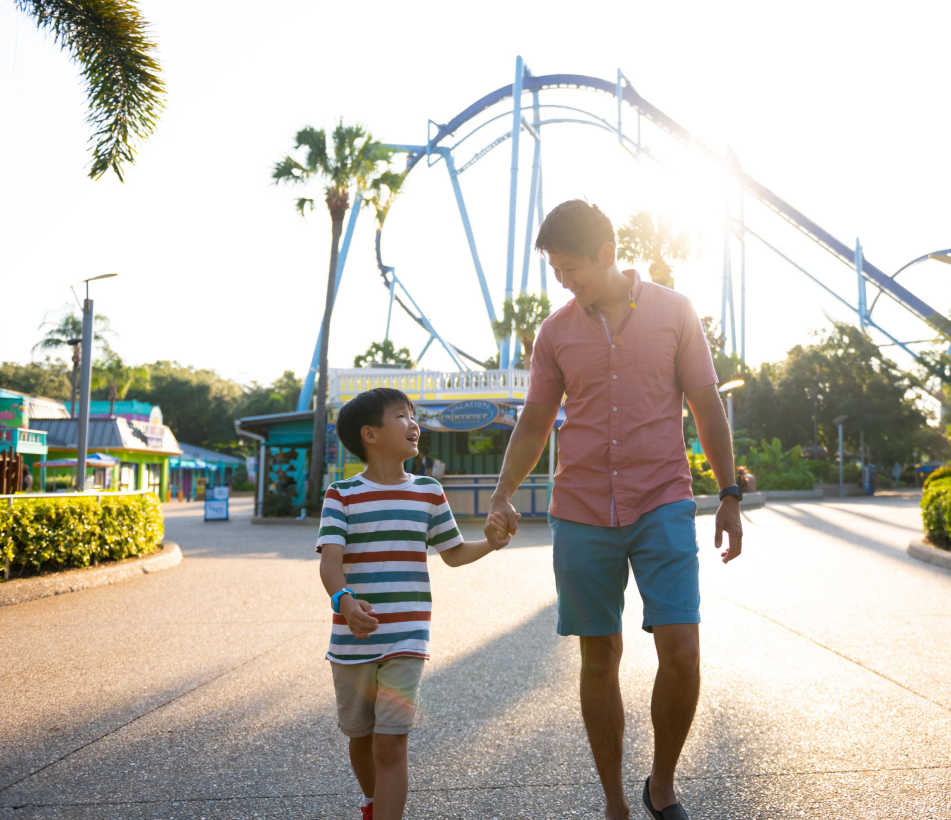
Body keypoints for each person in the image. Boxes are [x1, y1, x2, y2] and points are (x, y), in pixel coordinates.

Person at [486, 200, 743, 820]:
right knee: (600, 658)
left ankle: (663, 784)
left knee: (681, 651)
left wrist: (730, 494)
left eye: (568, 265)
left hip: (663, 501)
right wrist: (502, 494)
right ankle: (615, 803)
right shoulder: (555, 332)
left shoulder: (674, 312)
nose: (561, 278)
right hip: (579, 512)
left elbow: (707, 408)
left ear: (606, 256)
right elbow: (535, 422)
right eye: (554, 267)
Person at [318, 388, 511, 820]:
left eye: (414, 415)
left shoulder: (428, 491)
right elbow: (330, 565)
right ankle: (372, 803)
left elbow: (454, 552)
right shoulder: (342, 494)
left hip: (407, 637)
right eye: (402, 416)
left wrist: (490, 544)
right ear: (370, 434)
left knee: (391, 741)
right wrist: (345, 604)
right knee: (362, 737)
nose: (414, 423)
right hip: (353, 642)